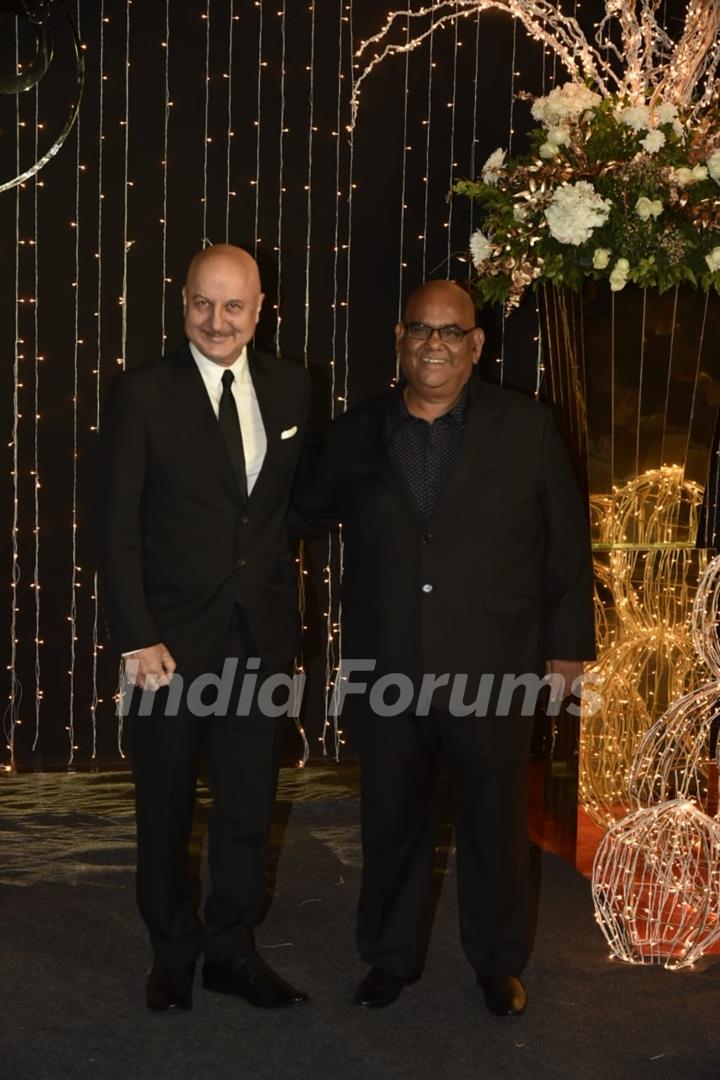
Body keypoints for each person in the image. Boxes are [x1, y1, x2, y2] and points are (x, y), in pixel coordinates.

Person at [298, 280, 595, 1015]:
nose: (434, 343)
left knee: (496, 824)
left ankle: (498, 962)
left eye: (450, 331)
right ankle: (389, 959)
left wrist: (566, 652)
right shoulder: (355, 432)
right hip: (387, 664)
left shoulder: (525, 427)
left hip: (494, 665)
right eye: (420, 330)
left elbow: (565, 545)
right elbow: (301, 512)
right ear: (400, 340)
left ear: (476, 345)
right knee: (391, 817)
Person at [98, 244, 310, 1011]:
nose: (216, 321)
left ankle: (231, 949)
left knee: (250, 806)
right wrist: (135, 634)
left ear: (259, 310)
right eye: (202, 304)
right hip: (166, 647)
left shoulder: (292, 389)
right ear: (182, 301)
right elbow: (115, 526)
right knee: (164, 809)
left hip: (259, 640)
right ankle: (172, 951)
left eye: (233, 306)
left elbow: (287, 507)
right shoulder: (142, 393)